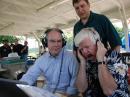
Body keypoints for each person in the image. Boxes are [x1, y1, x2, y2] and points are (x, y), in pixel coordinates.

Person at [20, 28, 78, 97]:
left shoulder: (70, 58)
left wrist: (68, 93)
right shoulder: (41, 60)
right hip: (47, 93)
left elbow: (75, 78)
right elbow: (30, 76)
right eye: (52, 41)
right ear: (46, 43)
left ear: (63, 42)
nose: (56, 44)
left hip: (65, 94)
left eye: (59, 41)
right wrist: (19, 87)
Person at [74, 28, 129, 97]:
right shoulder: (88, 61)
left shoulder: (115, 57)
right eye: (81, 49)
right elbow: (81, 89)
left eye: (87, 47)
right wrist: (82, 62)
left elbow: (109, 91)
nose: (84, 52)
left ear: (98, 43)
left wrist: (100, 60)